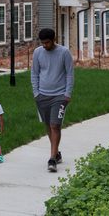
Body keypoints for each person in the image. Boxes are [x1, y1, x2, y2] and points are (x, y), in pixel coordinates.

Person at [31, 28, 74, 172]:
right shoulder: (38, 52)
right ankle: (56, 152)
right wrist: (36, 93)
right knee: (48, 126)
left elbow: (69, 74)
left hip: (60, 96)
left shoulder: (64, 53)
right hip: (42, 95)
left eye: (47, 42)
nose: (45, 45)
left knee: (55, 125)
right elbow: (34, 73)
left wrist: (67, 94)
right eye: (43, 43)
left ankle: (52, 159)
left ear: (53, 40)